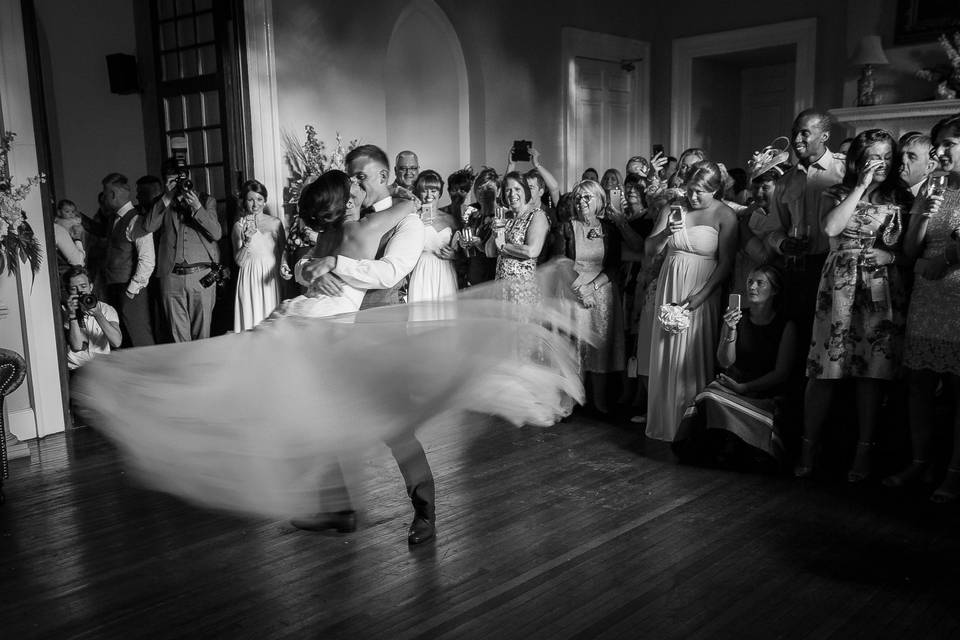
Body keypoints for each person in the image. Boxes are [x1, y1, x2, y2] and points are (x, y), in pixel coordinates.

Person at [74, 167, 583, 542]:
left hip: (306, 327)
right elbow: (407, 205)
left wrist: (363, 210)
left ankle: (355, 509)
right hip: (326, 333)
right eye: (353, 184)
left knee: (342, 420)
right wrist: (394, 196)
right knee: (376, 426)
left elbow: (372, 264)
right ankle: (390, 510)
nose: (360, 188)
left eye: (363, 180)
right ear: (345, 201)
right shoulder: (360, 231)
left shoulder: (327, 236)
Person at [295, 144, 436, 544]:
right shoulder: (345, 214)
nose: (353, 184)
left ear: (382, 175)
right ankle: (339, 511)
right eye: (349, 177)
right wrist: (312, 271)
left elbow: (390, 272)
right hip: (335, 336)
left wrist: (335, 265)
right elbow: (308, 255)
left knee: (395, 429)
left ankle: (426, 512)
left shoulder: (407, 220)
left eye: (359, 176)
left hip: (381, 337)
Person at [795, 129, 911, 482]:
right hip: (839, 286)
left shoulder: (901, 197)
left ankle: (863, 452)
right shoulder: (835, 192)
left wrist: (889, 255)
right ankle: (807, 447)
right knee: (825, 369)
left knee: (871, 372)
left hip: (881, 288)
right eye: (875, 156)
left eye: (888, 157)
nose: (882, 163)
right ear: (859, 159)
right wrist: (860, 187)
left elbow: (911, 248)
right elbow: (831, 227)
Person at [884, 113, 960, 501]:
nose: (940, 152)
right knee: (918, 382)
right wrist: (921, 217)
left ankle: (954, 471)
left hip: (958, 298)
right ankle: (919, 461)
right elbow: (911, 251)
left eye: (949, 144)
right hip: (927, 295)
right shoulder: (933, 185)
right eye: (938, 145)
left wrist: (946, 257)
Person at [644, 161, 737, 441]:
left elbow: (726, 263)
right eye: (690, 190)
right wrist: (666, 233)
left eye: (700, 192)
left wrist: (702, 296)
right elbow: (649, 249)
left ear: (716, 189)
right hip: (670, 286)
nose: (693, 197)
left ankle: (689, 428)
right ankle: (663, 422)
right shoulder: (675, 208)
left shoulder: (725, 215)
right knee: (664, 355)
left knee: (691, 355)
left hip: (701, 290)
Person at [674, 265, 797, 467]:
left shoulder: (786, 325)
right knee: (708, 395)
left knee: (763, 410)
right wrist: (730, 330)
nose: (752, 287)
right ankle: (725, 446)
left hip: (765, 391)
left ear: (774, 290)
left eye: (760, 282)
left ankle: (743, 447)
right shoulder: (737, 317)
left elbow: (781, 373)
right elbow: (725, 361)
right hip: (735, 384)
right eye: (750, 282)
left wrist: (745, 388)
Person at [765, 109, 846, 339]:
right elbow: (774, 229)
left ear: (824, 136)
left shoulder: (845, 172)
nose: (797, 139)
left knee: (831, 334)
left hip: (833, 266)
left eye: (804, 133)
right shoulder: (784, 181)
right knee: (797, 333)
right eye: (794, 133)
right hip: (797, 269)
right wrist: (783, 244)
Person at [132, 158, 222, 342]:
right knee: (177, 337)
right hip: (171, 277)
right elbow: (148, 226)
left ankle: (201, 371)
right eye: (168, 179)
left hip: (201, 277)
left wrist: (197, 207)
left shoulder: (205, 200)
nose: (172, 183)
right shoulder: (161, 202)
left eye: (176, 179)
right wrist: (167, 195)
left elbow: (216, 233)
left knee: (202, 336)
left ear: (186, 177)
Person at [560, 179, 624, 416]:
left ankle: (599, 401)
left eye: (588, 197)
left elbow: (615, 266)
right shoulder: (566, 226)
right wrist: (579, 289)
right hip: (572, 290)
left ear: (600, 201)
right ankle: (571, 399)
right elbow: (561, 263)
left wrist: (592, 287)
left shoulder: (609, 228)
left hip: (602, 293)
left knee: (599, 347)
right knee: (572, 347)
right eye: (578, 197)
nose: (582, 202)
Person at [94, 173, 156, 347]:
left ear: (113, 195)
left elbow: (147, 259)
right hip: (114, 286)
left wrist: (132, 289)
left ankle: (148, 372)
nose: (104, 198)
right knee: (123, 339)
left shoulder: (136, 219)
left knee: (138, 335)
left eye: (105, 193)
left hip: (130, 289)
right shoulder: (114, 219)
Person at [233, 180, 289, 331]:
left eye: (259, 199)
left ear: (265, 201)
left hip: (270, 279)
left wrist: (284, 266)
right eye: (250, 199)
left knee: (272, 325)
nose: (255, 204)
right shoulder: (239, 226)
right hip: (249, 279)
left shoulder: (275, 223)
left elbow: (285, 250)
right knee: (251, 324)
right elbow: (238, 262)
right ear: (245, 202)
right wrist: (247, 241)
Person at [487, 171, 549, 304]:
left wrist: (504, 246)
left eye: (517, 189)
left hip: (523, 290)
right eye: (508, 190)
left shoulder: (537, 215)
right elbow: (490, 252)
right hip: (501, 288)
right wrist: (494, 232)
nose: (512, 194)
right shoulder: (505, 217)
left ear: (525, 191)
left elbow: (532, 251)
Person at [408, 170, 459, 303]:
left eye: (434, 190)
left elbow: (461, 251)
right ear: (418, 192)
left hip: (445, 271)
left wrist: (454, 255)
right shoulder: (412, 218)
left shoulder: (450, 219)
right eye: (425, 190)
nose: (429, 195)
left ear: (440, 192)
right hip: (421, 271)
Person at [61, 267, 122, 371]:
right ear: (68, 291)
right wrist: (72, 315)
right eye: (73, 288)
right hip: (76, 369)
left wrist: (98, 314)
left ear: (91, 287)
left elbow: (116, 342)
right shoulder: (65, 311)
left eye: (83, 286)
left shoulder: (106, 309)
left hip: (101, 368)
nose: (80, 291)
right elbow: (76, 346)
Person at [897, 131, 938, 198]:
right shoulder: (885, 194)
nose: (902, 160)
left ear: (929, 167)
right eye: (900, 155)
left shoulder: (935, 199)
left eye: (911, 157)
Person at [53, 199, 85, 278]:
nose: (70, 214)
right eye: (67, 212)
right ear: (59, 212)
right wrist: (77, 239)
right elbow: (78, 262)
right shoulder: (58, 226)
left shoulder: (76, 222)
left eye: (73, 212)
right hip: (67, 269)